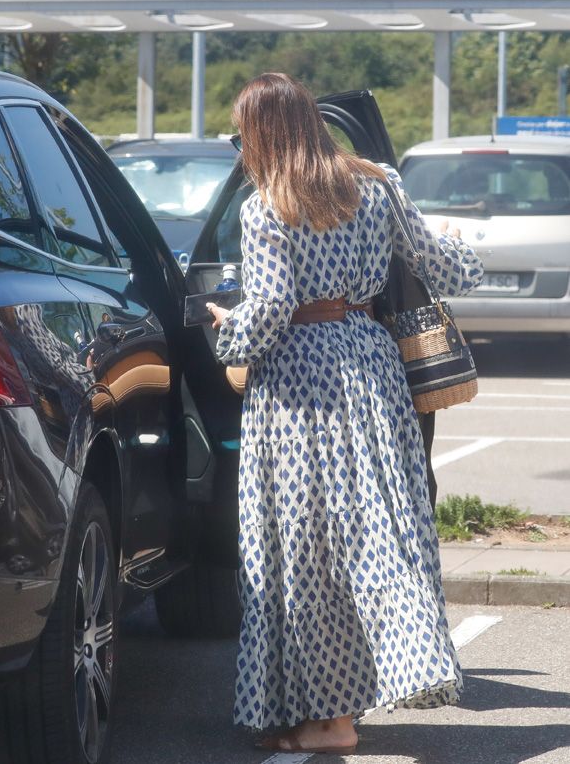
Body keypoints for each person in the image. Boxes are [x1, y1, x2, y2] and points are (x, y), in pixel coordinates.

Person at [206, 73, 483, 754]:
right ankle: (361, 700)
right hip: (370, 363)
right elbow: (443, 271)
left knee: (302, 550)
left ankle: (327, 719)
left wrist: (227, 332)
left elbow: (268, 308)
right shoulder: (379, 181)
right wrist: (464, 246)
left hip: (299, 384)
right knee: (377, 530)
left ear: (262, 132)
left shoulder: (266, 204)